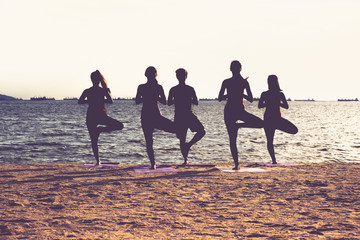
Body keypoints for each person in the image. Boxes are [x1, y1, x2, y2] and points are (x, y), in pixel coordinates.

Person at [218, 60, 263, 170]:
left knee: (260, 123)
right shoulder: (226, 82)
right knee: (232, 139)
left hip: (240, 111)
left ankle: (239, 125)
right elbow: (219, 98)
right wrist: (230, 94)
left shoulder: (244, 82)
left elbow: (251, 99)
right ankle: (236, 164)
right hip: (230, 111)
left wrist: (241, 94)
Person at [78, 70, 124, 165]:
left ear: (91, 79)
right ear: (99, 80)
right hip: (99, 115)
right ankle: (98, 160)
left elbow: (80, 101)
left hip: (92, 116)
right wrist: (101, 100)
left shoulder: (88, 91)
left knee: (94, 140)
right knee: (119, 126)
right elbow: (110, 101)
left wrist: (90, 102)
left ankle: (98, 161)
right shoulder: (102, 90)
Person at [135, 66, 176, 169]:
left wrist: (150, 97)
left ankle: (153, 164)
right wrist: (150, 97)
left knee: (150, 141)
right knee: (149, 140)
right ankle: (153, 164)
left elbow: (138, 101)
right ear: (155, 75)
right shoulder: (147, 87)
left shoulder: (154, 87)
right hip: (150, 115)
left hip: (151, 115)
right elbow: (163, 102)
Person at [168, 68, 205, 165]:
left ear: (185, 77)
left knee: (201, 131)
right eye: (179, 76)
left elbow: (196, 102)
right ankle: (185, 159)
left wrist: (188, 99)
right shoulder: (174, 89)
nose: (181, 78)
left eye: (182, 76)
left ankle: (188, 146)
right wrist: (180, 100)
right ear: (177, 77)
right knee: (182, 138)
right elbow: (169, 102)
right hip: (180, 116)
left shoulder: (189, 89)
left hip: (188, 115)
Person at [258, 74, 298, 164]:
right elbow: (260, 105)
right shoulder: (265, 94)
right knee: (269, 141)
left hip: (276, 119)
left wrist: (277, 103)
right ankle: (274, 161)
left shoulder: (279, 94)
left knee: (294, 130)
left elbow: (286, 106)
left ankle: (274, 160)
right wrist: (269, 103)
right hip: (269, 119)